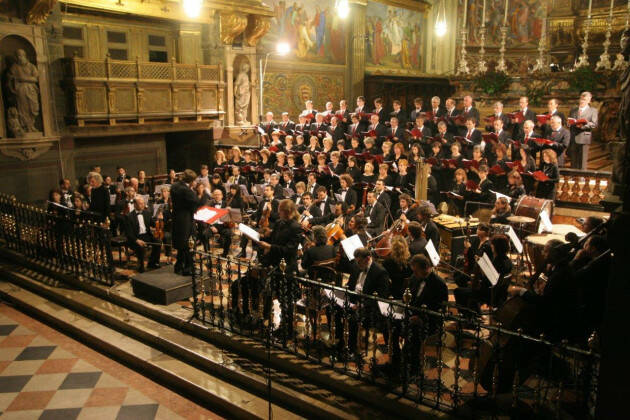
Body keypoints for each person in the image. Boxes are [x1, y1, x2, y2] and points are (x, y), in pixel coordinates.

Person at [171, 169, 200, 276]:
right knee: (189, 244)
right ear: (191, 181)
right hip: (186, 220)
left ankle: (178, 266)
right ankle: (188, 268)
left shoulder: (174, 186)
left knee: (181, 244)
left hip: (177, 218)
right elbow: (196, 201)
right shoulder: (186, 190)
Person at [125, 196, 161, 272]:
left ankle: (153, 262)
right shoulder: (129, 216)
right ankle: (141, 265)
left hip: (146, 235)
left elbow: (153, 224)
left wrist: (159, 219)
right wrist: (137, 240)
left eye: (143, 203)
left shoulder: (147, 213)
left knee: (158, 242)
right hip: (135, 237)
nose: (143, 205)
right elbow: (129, 233)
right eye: (140, 204)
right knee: (140, 247)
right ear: (135, 204)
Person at [569, 91, 598, 169]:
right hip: (574, 136)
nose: (582, 101)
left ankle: (581, 176)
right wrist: (570, 123)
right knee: (573, 158)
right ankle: (572, 175)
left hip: (584, 136)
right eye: (581, 99)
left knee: (582, 159)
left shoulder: (593, 111)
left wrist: (583, 126)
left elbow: (594, 124)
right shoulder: (573, 110)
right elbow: (569, 121)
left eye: (584, 99)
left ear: (589, 100)